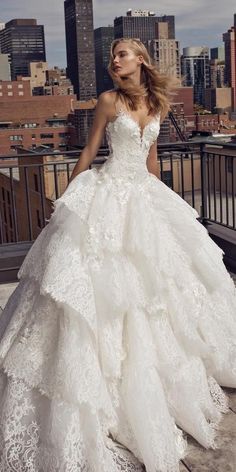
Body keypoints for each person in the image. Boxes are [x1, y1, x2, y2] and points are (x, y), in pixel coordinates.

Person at [0, 37, 235, 472]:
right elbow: (90, 152)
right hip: (107, 195)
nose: (114, 60)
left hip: (143, 197)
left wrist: (160, 201)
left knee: (157, 288)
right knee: (101, 285)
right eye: (112, 55)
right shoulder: (108, 100)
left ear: (142, 60)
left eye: (121, 54)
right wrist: (67, 205)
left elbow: (152, 160)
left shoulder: (159, 103)